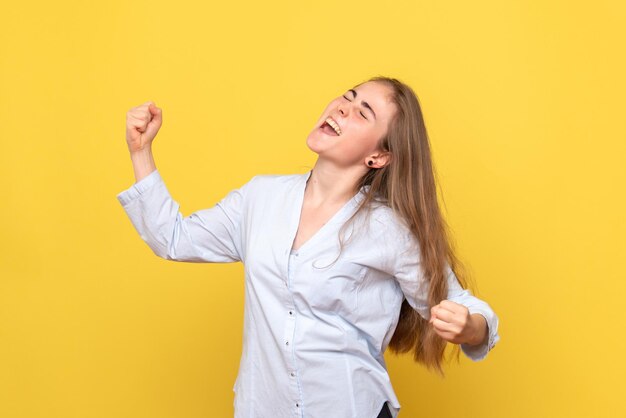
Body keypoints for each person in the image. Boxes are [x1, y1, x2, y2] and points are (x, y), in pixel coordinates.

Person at [116, 76, 500, 418]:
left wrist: (470, 327)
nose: (343, 107)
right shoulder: (260, 198)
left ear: (378, 156)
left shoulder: (388, 229)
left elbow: (463, 304)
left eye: (363, 112)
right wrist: (140, 151)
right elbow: (173, 238)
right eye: (348, 96)